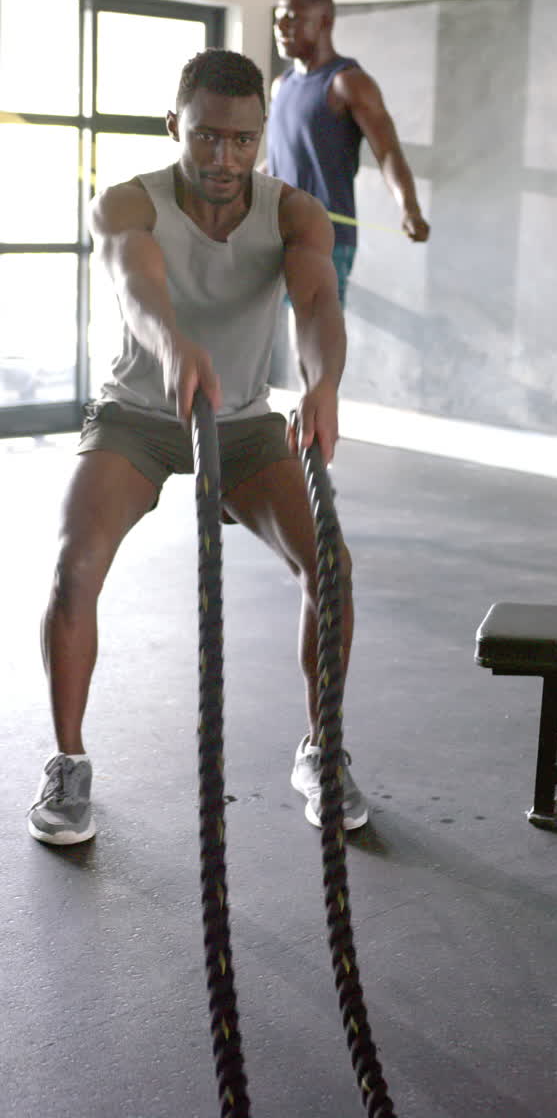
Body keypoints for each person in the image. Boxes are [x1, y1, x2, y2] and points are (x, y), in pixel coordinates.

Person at [27, 48, 367, 845]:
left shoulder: (293, 211)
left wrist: (322, 385)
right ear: (174, 126)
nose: (225, 158)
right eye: (208, 138)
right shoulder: (126, 202)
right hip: (140, 410)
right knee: (75, 569)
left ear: (260, 138)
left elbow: (317, 302)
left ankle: (324, 751)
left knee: (332, 568)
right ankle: (68, 764)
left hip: (244, 419)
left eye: (244, 140)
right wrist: (175, 344)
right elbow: (138, 283)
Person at [266, 0, 430, 308]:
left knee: (317, 342)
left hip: (324, 239)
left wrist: (409, 208)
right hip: (276, 233)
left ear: (324, 21)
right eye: (278, 19)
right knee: (296, 340)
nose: (281, 28)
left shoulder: (347, 82)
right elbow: (277, 162)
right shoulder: (281, 86)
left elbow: (388, 152)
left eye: (293, 19)